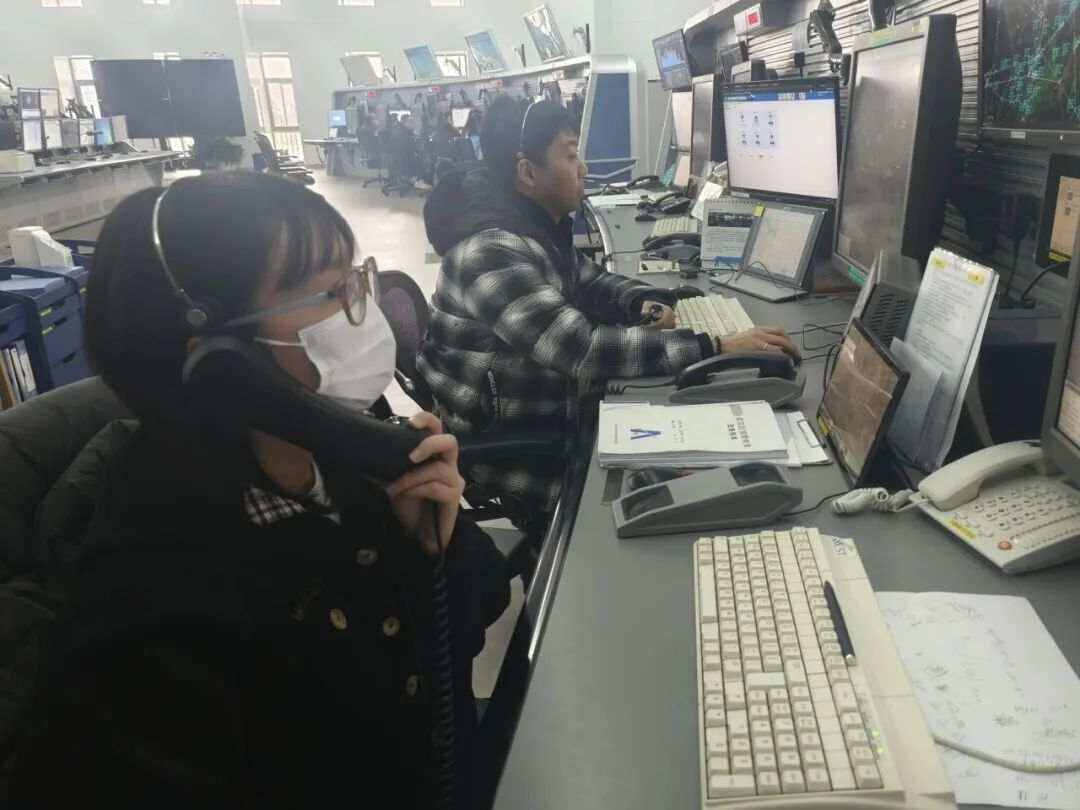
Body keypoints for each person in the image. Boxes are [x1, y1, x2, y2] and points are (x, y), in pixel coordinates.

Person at [9, 172, 510, 808]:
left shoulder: (342, 454)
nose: (362, 310)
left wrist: (428, 543)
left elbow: (477, 614)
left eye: (355, 279)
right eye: (330, 292)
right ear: (219, 361)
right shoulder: (154, 588)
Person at [418, 96, 798, 533]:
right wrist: (715, 346)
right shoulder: (490, 252)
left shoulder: (530, 226)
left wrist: (638, 301)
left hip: (554, 411)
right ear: (527, 172)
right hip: (527, 449)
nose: (582, 168)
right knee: (709, 497)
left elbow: (587, 279)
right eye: (570, 155)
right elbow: (582, 349)